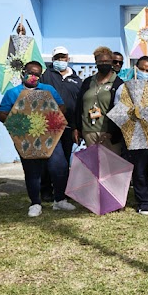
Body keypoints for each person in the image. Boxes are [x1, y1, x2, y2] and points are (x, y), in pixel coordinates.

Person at [0, 61, 74, 217]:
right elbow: (2, 114)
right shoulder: (13, 93)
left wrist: (48, 116)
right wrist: (19, 121)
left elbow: (62, 107)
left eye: (37, 75)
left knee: (59, 166)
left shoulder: (48, 89)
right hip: (26, 138)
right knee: (32, 171)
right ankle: (35, 203)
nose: (33, 77)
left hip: (49, 136)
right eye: (30, 73)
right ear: (23, 73)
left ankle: (60, 200)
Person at [115, 56, 148, 215]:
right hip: (136, 133)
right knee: (139, 170)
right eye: (142, 69)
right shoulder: (124, 88)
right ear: (135, 68)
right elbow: (119, 112)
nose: (145, 72)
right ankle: (144, 201)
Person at [39, 46, 82, 202]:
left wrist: (77, 127)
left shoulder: (77, 79)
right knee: (48, 160)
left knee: (64, 161)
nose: (61, 60)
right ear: (52, 60)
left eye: (63, 57)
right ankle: (45, 190)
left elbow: (79, 105)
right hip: (48, 126)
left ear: (68, 59)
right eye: (57, 58)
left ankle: (63, 191)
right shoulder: (46, 76)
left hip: (69, 127)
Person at [74, 46, 124, 153]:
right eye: (100, 61)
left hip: (108, 134)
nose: (103, 64)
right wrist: (76, 128)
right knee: (94, 167)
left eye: (107, 61)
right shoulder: (87, 82)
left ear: (111, 62)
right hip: (88, 132)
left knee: (110, 167)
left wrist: (112, 131)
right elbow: (79, 105)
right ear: (96, 62)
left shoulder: (118, 84)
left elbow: (121, 111)